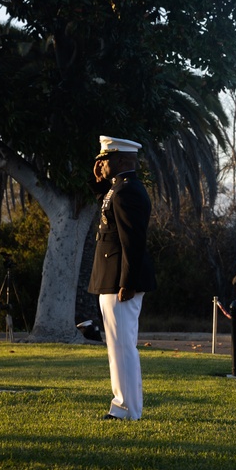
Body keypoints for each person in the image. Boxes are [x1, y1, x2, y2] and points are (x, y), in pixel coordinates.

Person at [88, 135, 157, 421]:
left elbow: (133, 242)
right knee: (117, 345)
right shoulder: (119, 188)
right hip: (113, 276)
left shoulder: (128, 191)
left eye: (106, 159)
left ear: (123, 160)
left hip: (120, 280)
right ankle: (123, 405)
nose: (101, 163)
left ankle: (127, 408)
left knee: (123, 346)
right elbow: (103, 203)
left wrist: (127, 282)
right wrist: (97, 179)